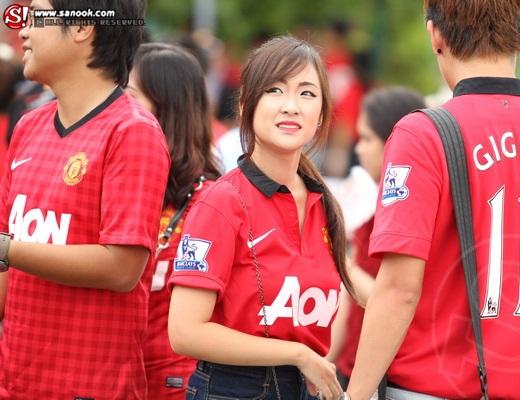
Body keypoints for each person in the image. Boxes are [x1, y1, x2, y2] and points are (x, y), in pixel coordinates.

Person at [346, 1, 520, 399]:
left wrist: (356, 394)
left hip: (427, 389)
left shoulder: (421, 136)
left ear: (435, 35)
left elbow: (399, 290)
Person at [0, 1, 170, 399]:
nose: (23, 30)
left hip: (89, 387)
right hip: (16, 383)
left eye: (36, 16)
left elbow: (121, 267)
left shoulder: (132, 131)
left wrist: (7, 249)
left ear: (82, 27)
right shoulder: (28, 126)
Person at [168, 35, 352, 400]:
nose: (291, 106)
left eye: (307, 93)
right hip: (233, 388)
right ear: (246, 105)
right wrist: (298, 354)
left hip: (306, 386)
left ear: (321, 115)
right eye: (274, 90)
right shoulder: (222, 201)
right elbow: (185, 332)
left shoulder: (324, 203)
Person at [126, 42, 222, 400]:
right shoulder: (121, 183)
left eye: (129, 95)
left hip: (175, 383)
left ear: (167, 107)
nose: (116, 107)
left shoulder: (210, 200)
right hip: (112, 375)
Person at [329, 87, 425, 391]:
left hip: (386, 375)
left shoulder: (408, 215)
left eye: (368, 139)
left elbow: (391, 297)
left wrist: (340, 260)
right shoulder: (373, 206)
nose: (359, 149)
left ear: (395, 143)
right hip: (353, 366)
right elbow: (349, 299)